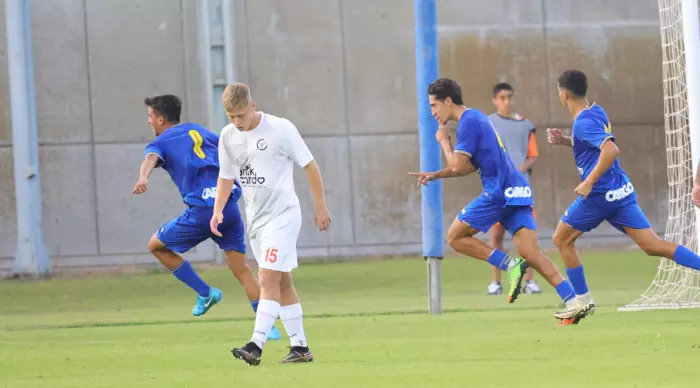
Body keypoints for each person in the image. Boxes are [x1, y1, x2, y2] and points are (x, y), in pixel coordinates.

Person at [548, 69, 700, 324]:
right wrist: (566, 141)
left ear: (563, 94)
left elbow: (610, 150)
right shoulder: (596, 110)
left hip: (599, 196)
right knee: (653, 246)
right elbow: (593, 145)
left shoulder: (583, 122)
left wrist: (588, 181)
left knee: (561, 239)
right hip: (620, 191)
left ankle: (581, 301)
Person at [409, 78, 576, 308]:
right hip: (517, 189)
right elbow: (470, 166)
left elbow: (458, 165)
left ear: (448, 101)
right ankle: (574, 300)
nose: (432, 112)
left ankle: (510, 265)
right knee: (531, 253)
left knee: (455, 237)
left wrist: (444, 142)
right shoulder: (477, 118)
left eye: (433, 105)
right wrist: (436, 174)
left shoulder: (468, 122)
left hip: (498, 192)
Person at [133, 94, 281, 339]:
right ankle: (268, 326)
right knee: (243, 269)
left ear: (160, 119)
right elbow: (231, 150)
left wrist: (143, 177)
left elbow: (150, 159)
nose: (149, 122)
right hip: (228, 207)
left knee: (156, 246)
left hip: (202, 211)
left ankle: (204, 292)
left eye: (150, 117)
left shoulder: (162, 142)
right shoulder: (199, 131)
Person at [212, 83, 331, 365]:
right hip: (256, 220)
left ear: (253, 106)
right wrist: (217, 211)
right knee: (281, 280)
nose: (237, 122)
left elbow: (309, 165)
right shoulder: (228, 136)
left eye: (240, 115)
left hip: (284, 215)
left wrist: (320, 204)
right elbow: (226, 176)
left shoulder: (281, 129)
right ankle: (300, 348)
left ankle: (256, 345)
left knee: (265, 278)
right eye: (231, 117)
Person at [486, 82, 541, 296]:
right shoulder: (488, 124)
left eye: (509, 97)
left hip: (521, 191)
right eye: (502, 98)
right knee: (496, 237)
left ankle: (530, 282)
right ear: (495, 100)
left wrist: (518, 170)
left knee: (525, 237)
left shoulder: (525, 124)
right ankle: (495, 283)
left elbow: (533, 155)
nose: (506, 101)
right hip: (499, 190)